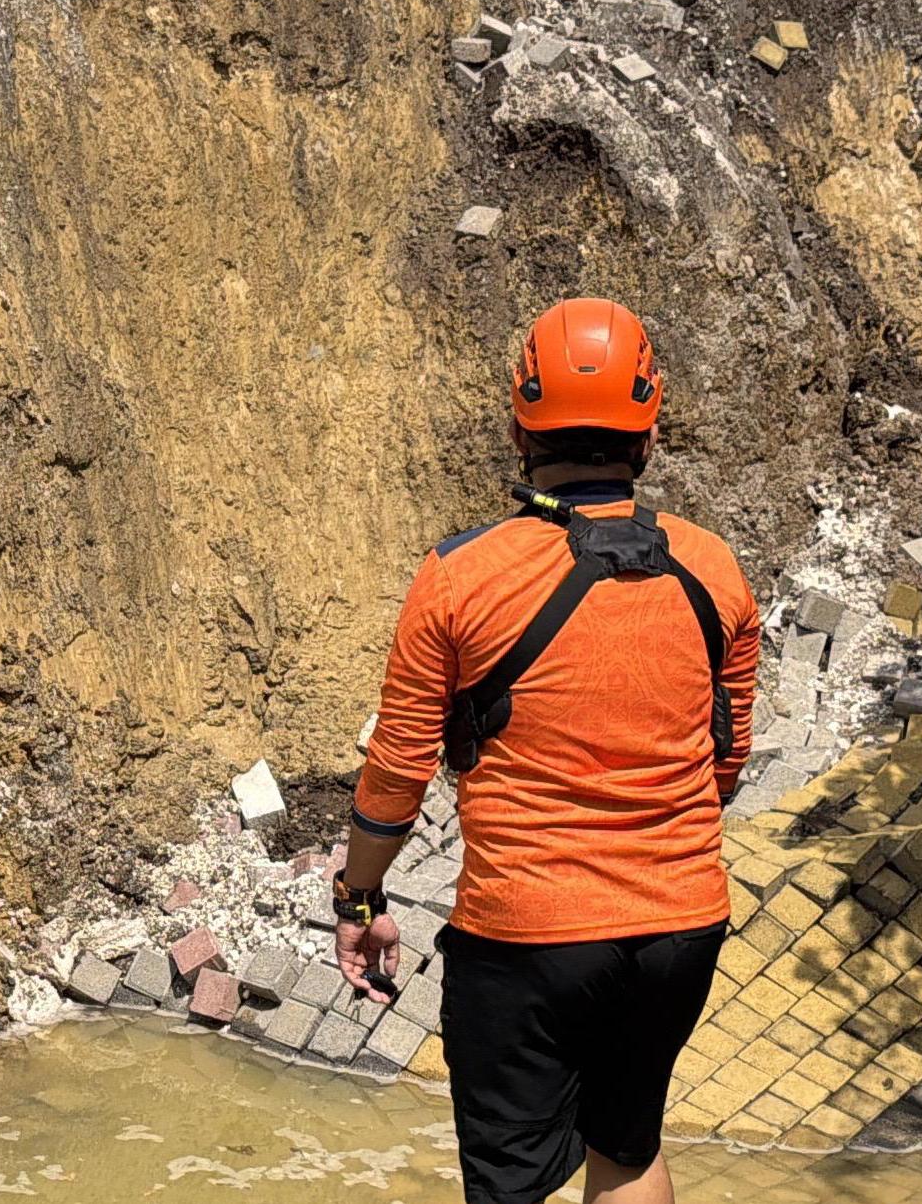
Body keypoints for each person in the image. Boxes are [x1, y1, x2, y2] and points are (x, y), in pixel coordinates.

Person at [331, 298, 761, 1204]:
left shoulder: (461, 574)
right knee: (629, 1150)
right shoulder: (714, 569)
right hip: (681, 927)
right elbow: (724, 765)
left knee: (510, 1188)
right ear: (652, 425)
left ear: (519, 421)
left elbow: (399, 771)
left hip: (526, 937)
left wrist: (360, 896)